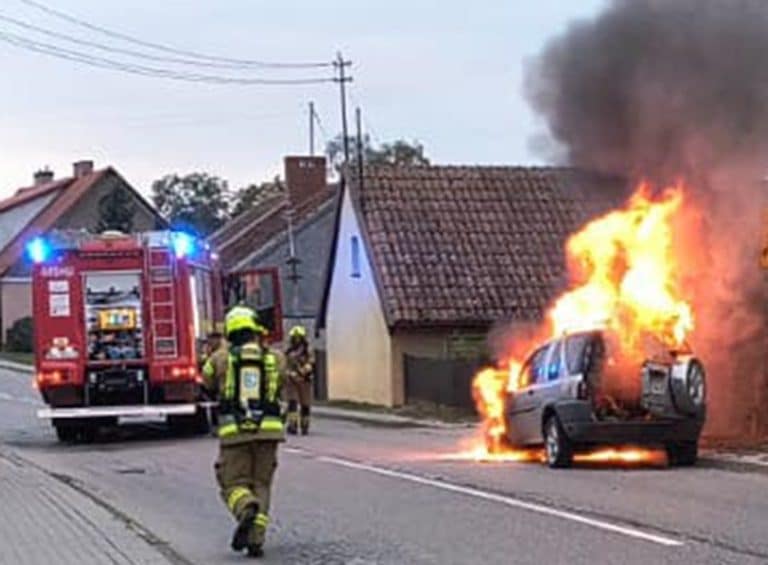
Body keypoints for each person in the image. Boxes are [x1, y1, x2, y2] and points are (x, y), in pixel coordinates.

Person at [213, 306, 284, 558]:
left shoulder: (221, 358)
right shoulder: (276, 357)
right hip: (269, 431)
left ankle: (245, 507)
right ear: (255, 329)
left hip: (235, 432)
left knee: (232, 482)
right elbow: (282, 382)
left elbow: (206, 379)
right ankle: (256, 540)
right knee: (261, 484)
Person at [284, 325, 315, 435]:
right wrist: (289, 373)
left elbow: (311, 363)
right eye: (295, 337)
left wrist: (303, 371)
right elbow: (285, 365)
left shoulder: (308, 351)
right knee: (292, 403)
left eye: (299, 337)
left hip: (305, 381)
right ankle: (292, 425)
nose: (296, 340)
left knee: (305, 404)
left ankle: (305, 425)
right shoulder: (288, 352)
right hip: (292, 381)